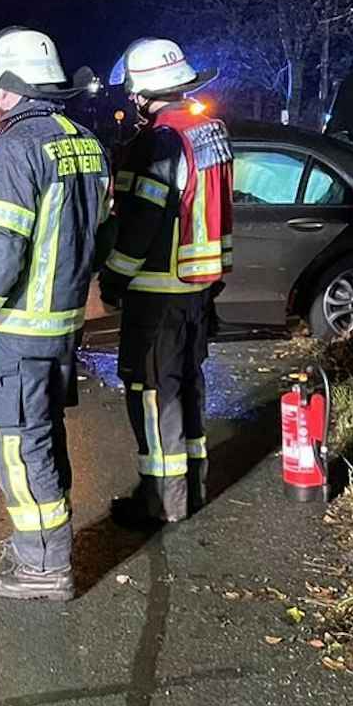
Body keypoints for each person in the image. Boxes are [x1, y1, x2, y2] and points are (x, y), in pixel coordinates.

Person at [0, 28, 111, 600]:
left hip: (17, 330)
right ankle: (43, 547)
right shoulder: (85, 143)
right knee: (42, 436)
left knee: (15, 447)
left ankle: (43, 565)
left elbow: (0, 257)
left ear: (8, 88)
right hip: (60, 326)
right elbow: (97, 237)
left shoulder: (15, 148)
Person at [98, 38, 235, 529]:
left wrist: (113, 278)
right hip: (199, 287)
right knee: (189, 386)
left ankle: (160, 502)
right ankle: (192, 489)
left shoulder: (156, 142)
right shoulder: (211, 131)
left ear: (141, 92)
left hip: (157, 292)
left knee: (153, 393)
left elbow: (140, 223)